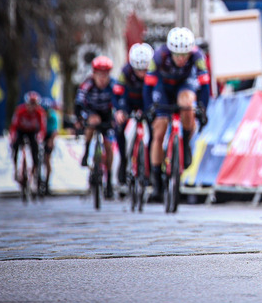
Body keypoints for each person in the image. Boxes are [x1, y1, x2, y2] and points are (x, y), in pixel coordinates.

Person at [145, 27, 211, 203]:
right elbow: (148, 86)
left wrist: (203, 109)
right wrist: (149, 109)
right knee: (159, 129)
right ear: (170, 51)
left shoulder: (197, 57)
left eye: (185, 55)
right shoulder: (159, 56)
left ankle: (187, 144)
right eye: (177, 55)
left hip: (184, 85)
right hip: (163, 88)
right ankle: (157, 180)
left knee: (187, 104)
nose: (181, 59)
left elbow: (205, 86)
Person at [75, 56, 121, 199]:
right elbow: (79, 102)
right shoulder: (87, 85)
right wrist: (81, 118)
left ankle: (108, 183)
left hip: (107, 114)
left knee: (108, 145)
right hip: (92, 111)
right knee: (92, 124)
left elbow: (120, 102)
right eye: (99, 75)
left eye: (105, 75)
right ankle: (87, 148)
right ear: (94, 74)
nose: (102, 78)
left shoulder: (114, 85)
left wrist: (117, 117)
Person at [114, 42, 153, 185]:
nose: (142, 74)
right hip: (129, 102)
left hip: (146, 102)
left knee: (154, 130)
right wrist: (119, 110)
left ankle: (151, 167)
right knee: (118, 127)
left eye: (145, 70)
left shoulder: (154, 71)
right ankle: (124, 161)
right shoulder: (125, 72)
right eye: (138, 70)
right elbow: (117, 93)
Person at [10, 91, 46, 186]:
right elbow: (14, 126)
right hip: (21, 130)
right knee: (16, 145)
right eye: (30, 104)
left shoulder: (39, 112)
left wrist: (40, 137)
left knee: (36, 150)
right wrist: (13, 136)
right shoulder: (20, 111)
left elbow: (42, 127)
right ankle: (16, 167)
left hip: (32, 131)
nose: (32, 107)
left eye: (35, 105)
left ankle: (36, 170)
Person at [41, 97, 59, 193]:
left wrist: (51, 141)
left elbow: (55, 131)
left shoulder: (53, 116)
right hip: (40, 134)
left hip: (49, 135)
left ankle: (47, 183)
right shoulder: (39, 114)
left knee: (47, 159)